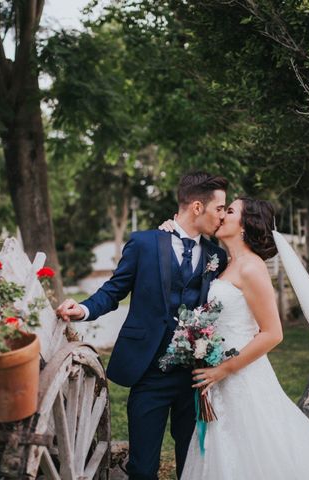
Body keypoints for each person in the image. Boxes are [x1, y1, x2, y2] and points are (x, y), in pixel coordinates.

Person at [160, 197, 309, 479]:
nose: (221, 215)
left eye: (229, 211)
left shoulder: (252, 267)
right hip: (217, 376)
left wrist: (224, 369)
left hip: (240, 376)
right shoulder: (224, 264)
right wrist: (173, 229)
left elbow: (273, 333)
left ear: (245, 225)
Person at [56, 172, 229, 480]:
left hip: (196, 376)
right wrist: (82, 309)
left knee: (194, 465)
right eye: (220, 208)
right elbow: (114, 290)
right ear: (198, 207)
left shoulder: (217, 255)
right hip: (148, 370)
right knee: (143, 467)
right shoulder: (145, 243)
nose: (223, 215)